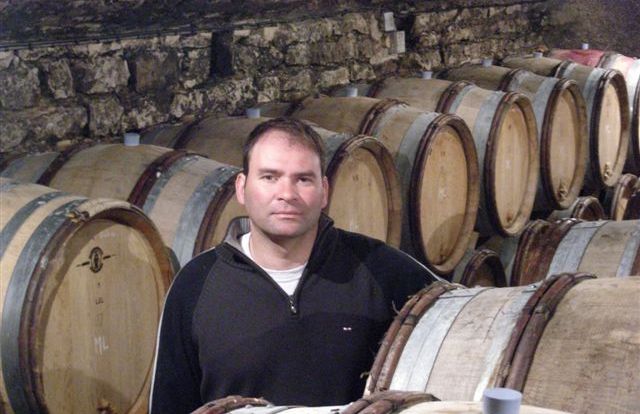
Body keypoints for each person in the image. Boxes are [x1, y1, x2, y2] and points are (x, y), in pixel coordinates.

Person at [149, 117, 436, 413]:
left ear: (324, 190)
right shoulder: (196, 285)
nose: (286, 194)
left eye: (303, 179)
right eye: (269, 177)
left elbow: (456, 336)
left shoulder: (383, 270)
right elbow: (170, 404)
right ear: (241, 187)